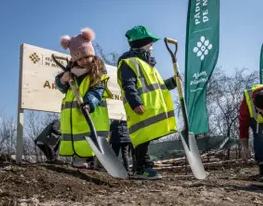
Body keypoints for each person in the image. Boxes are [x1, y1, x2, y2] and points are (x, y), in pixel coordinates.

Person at [117, 25, 178, 180]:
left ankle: (143, 166)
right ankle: (142, 167)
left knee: (145, 139)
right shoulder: (129, 62)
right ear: (141, 44)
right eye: (150, 44)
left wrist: (173, 82)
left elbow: (158, 87)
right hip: (139, 108)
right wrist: (135, 102)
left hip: (150, 109)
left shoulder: (148, 65)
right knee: (141, 139)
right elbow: (128, 84)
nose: (152, 47)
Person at [55, 27, 112, 168]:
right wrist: (62, 80)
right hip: (75, 115)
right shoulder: (71, 72)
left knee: (93, 137)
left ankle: (98, 163)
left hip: (92, 112)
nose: (84, 61)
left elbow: (98, 89)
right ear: (74, 59)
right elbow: (62, 87)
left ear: (92, 54)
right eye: (79, 59)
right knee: (78, 138)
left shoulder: (98, 72)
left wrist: (89, 102)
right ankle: (79, 161)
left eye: (87, 57)